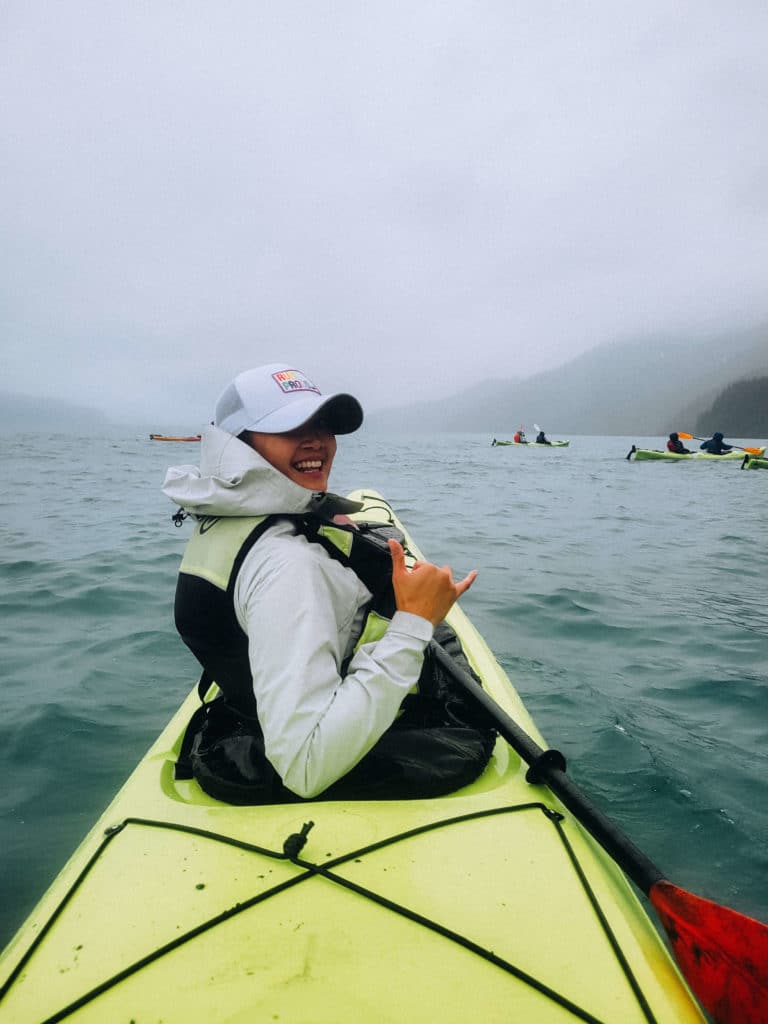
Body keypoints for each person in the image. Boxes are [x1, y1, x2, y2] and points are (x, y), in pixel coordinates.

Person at [163, 363, 493, 803]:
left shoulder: (226, 515)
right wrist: (415, 622)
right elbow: (303, 764)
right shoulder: (289, 567)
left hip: (251, 706)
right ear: (237, 445)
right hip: (313, 747)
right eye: (289, 426)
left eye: (322, 424)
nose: (316, 439)